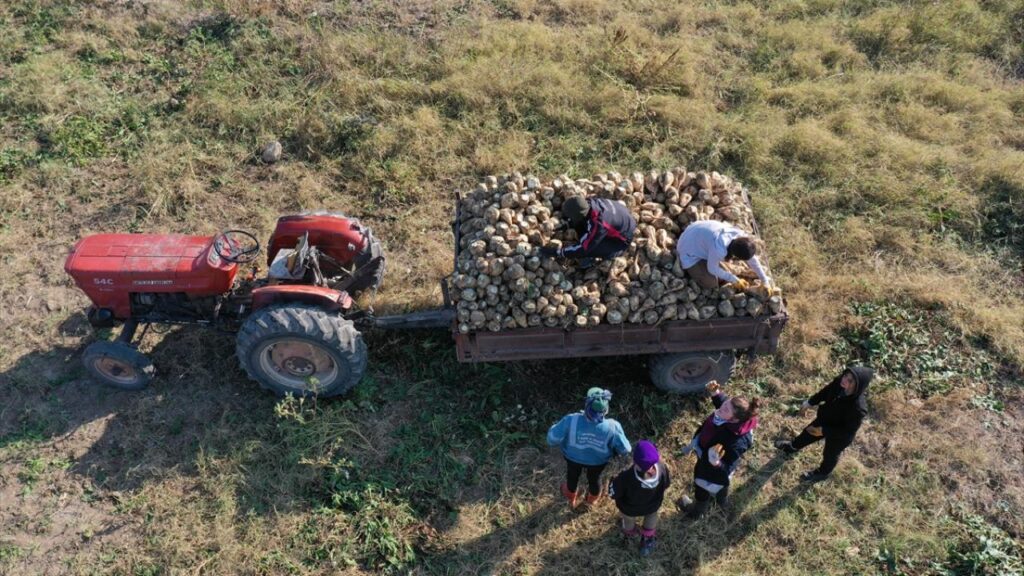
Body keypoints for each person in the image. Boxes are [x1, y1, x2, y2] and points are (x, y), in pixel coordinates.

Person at [677, 381, 759, 519]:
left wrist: (716, 463)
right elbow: (724, 404)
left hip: (712, 468)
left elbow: (726, 469)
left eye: (726, 409)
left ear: (735, 420)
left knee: (703, 486)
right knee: (721, 485)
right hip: (705, 453)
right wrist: (716, 394)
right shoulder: (728, 414)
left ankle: (697, 511)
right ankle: (722, 501)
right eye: (726, 404)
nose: (723, 407)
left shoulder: (736, 443)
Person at [775, 366, 873, 483]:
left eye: (850, 380)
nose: (844, 379)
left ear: (858, 386)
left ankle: (822, 473)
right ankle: (792, 447)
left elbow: (847, 432)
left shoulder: (858, 408)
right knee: (806, 434)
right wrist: (810, 402)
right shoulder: (839, 382)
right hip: (825, 419)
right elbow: (825, 392)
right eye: (846, 375)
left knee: (830, 454)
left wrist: (825, 431)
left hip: (838, 435)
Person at [547, 387, 631, 508]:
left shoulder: (571, 420)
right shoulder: (613, 427)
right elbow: (625, 449)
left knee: (572, 476)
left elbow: (552, 439)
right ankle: (592, 499)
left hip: (572, 458)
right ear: (606, 409)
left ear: (586, 405)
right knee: (594, 479)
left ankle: (570, 496)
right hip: (598, 462)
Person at [609, 440, 670, 557]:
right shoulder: (662, 468)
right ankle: (647, 540)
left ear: (635, 461)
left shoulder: (626, 477)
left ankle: (629, 535)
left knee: (628, 520)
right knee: (651, 517)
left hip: (629, 509)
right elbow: (666, 484)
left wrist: (612, 481)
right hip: (652, 506)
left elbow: (613, 493)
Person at [675, 220, 773, 291]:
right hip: (687, 249)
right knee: (711, 283)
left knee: (725, 274)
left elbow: (752, 259)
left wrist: (764, 280)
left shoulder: (739, 237)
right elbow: (712, 269)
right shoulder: (719, 249)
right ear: (735, 256)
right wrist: (735, 280)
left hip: (695, 232)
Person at [539, 195, 636, 264]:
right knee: (581, 227)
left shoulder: (599, 224)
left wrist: (558, 252)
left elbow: (583, 248)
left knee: (589, 250)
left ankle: (616, 253)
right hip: (622, 217)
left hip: (622, 240)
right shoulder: (590, 201)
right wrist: (568, 224)